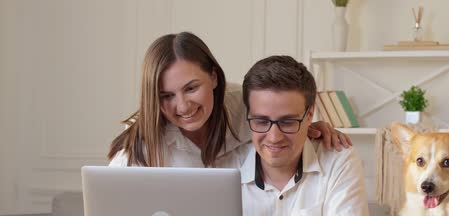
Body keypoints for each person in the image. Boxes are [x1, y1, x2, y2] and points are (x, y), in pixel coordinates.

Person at [107, 32, 351, 167]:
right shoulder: (141, 145)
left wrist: (311, 126)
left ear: (213, 76)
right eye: (167, 96)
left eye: (191, 88)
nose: (183, 106)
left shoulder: (245, 105)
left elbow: (285, 119)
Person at [233, 55, 376, 216]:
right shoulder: (226, 166)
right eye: (261, 121)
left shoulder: (338, 157)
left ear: (310, 115)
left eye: (288, 122)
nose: (274, 137)